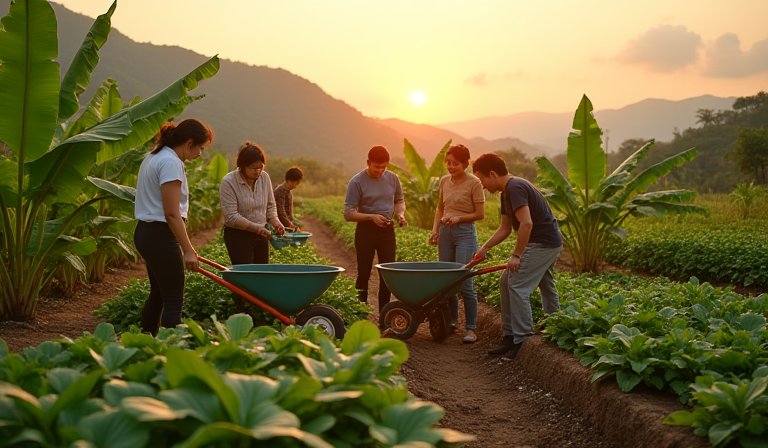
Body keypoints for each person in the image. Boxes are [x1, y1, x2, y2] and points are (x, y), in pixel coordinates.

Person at [471, 153, 562, 359]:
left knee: (517, 285)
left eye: (482, 179)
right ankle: (517, 334)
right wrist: (484, 248)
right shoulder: (506, 192)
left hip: (543, 243)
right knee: (512, 282)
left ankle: (521, 339)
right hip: (545, 242)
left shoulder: (515, 188)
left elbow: (527, 223)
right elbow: (505, 228)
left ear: (492, 174)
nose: (482, 185)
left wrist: (516, 255)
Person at [134, 118, 214, 335]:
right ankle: (171, 353)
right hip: (160, 235)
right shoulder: (171, 163)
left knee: (159, 294)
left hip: (146, 233)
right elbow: (171, 213)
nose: (200, 154)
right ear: (189, 143)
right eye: (201, 148)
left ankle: (147, 343)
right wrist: (188, 250)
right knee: (173, 301)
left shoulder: (154, 156)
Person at [429, 144, 485, 343]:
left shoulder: (474, 183)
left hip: (464, 235)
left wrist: (459, 219)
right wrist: (435, 230)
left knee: (465, 281)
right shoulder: (444, 181)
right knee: (447, 281)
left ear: (465, 164)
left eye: (455, 164)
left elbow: (480, 214)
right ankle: (451, 322)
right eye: (448, 163)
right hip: (445, 233)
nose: (451, 167)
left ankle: (471, 329)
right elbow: (439, 208)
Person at [344, 145, 407, 316]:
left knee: (387, 275)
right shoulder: (356, 182)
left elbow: (399, 200)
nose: (380, 170)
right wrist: (371, 217)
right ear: (368, 162)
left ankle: (384, 316)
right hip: (365, 231)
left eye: (383, 167)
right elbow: (348, 214)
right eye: (376, 167)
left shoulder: (393, 179)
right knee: (363, 273)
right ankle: (360, 313)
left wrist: (400, 215)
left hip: (387, 231)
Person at [274, 166, 304, 231]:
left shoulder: (289, 192)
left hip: (286, 226)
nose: (296, 186)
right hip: (280, 227)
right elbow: (280, 212)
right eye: (297, 183)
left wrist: (294, 223)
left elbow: (290, 214)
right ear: (290, 181)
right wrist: (290, 224)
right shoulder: (280, 191)